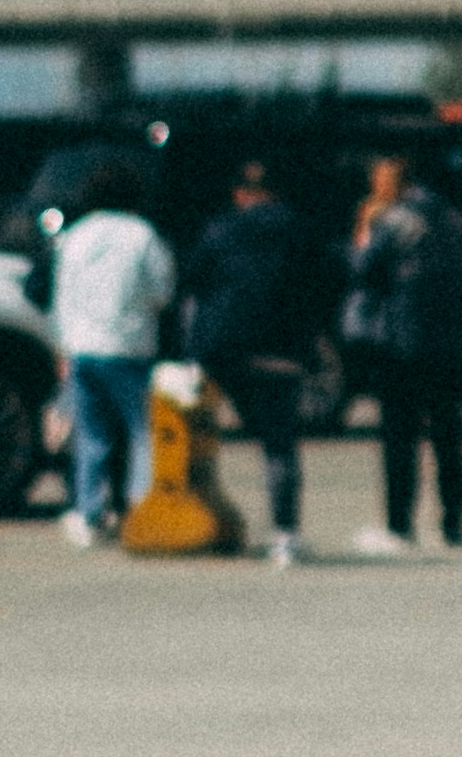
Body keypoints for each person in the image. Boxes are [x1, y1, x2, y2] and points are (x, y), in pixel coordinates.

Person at [343, 154, 462, 556]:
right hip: (451, 343)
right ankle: (454, 523)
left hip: (404, 344)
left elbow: (363, 270)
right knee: (447, 435)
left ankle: (399, 525)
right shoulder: (455, 219)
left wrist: (363, 229)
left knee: (399, 438)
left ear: (392, 182)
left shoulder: (393, 221)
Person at [185, 161, 308, 569]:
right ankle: (285, 535)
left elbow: (194, 279)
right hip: (282, 352)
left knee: (204, 433)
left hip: (225, 350)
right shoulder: (299, 231)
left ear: (241, 194)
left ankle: (196, 516)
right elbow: (324, 281)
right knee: (280, 447)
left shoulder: (221, 229)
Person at [46, 170, 175, 546]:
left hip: (82, 348)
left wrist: (63, 346)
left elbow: (61, 294)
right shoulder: (142, 234)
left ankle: (88, 513)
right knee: (141, 434)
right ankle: (140, 508)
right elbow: (162, 290)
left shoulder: (76, 235)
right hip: (128, 347)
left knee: (92, 436)